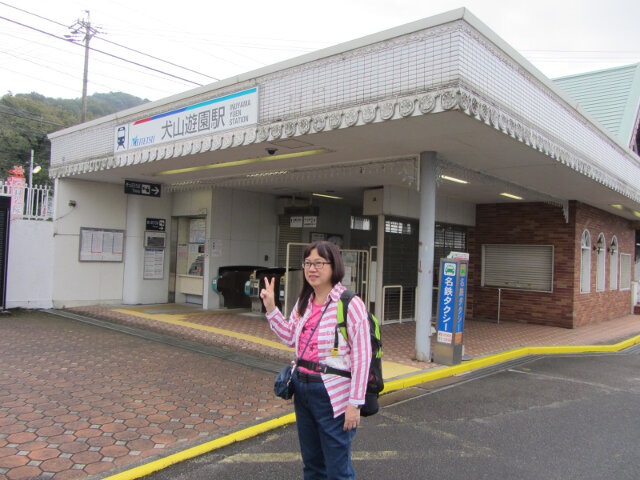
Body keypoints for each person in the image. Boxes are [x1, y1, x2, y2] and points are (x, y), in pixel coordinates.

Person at [260, 241, 371, 480]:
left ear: (334, 266)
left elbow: (363, 356)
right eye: (308, 263)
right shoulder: (304, 301)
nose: (312, 268)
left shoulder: (350, 304)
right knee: (312, 465)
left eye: (319, 263)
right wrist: (271, 308)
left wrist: (355, 403)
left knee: (337, 469)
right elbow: (291, 336)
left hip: (332, 394)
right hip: (302, 388)